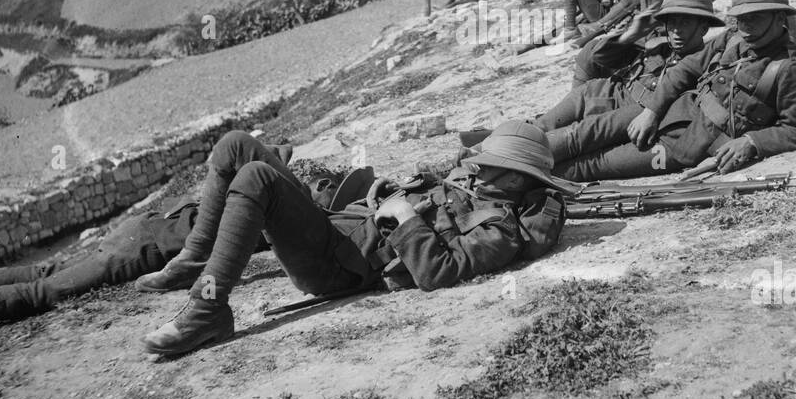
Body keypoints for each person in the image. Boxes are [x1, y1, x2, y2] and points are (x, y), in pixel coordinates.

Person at [140, 122, 571, 357]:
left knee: (257, 178)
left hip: (339, 263)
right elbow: (438, 203)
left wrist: (403, 216)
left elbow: (438, 272)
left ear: (517, 178)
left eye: (490, 165)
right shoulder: (482, 187)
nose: (477, 167)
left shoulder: (501, 230)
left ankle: (207, 309)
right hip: (342, 227)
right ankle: (196, 258)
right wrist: (396, 193)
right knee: (236, 144)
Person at [546, 0, 796, 181]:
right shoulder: (732, 39)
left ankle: (519, 180)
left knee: (589, 166)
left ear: (779, 16)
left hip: (687, 145)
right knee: (580, 135)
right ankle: (511, 151)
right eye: (742, 19)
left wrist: (751, 142)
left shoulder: (791, 69)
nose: (746, 27)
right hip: (667, 110)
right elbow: (685, 70)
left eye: (755, 19)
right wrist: (652, 112)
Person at [0, 199, 206, 355]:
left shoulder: (241, 188)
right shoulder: (253, 216)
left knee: (40, 272)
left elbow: (188, 206)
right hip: (140, 250)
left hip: (140, 228)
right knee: (42, 292)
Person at [538, 0, 725, 131]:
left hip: (623, 119)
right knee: (537, 127)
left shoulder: (704, 63)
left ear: (703, 28)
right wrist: (631, 35)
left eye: (685, 22)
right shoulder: (657, 45)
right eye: (672, 22)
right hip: (595, 94)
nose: (676, 30)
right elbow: (598, 56)